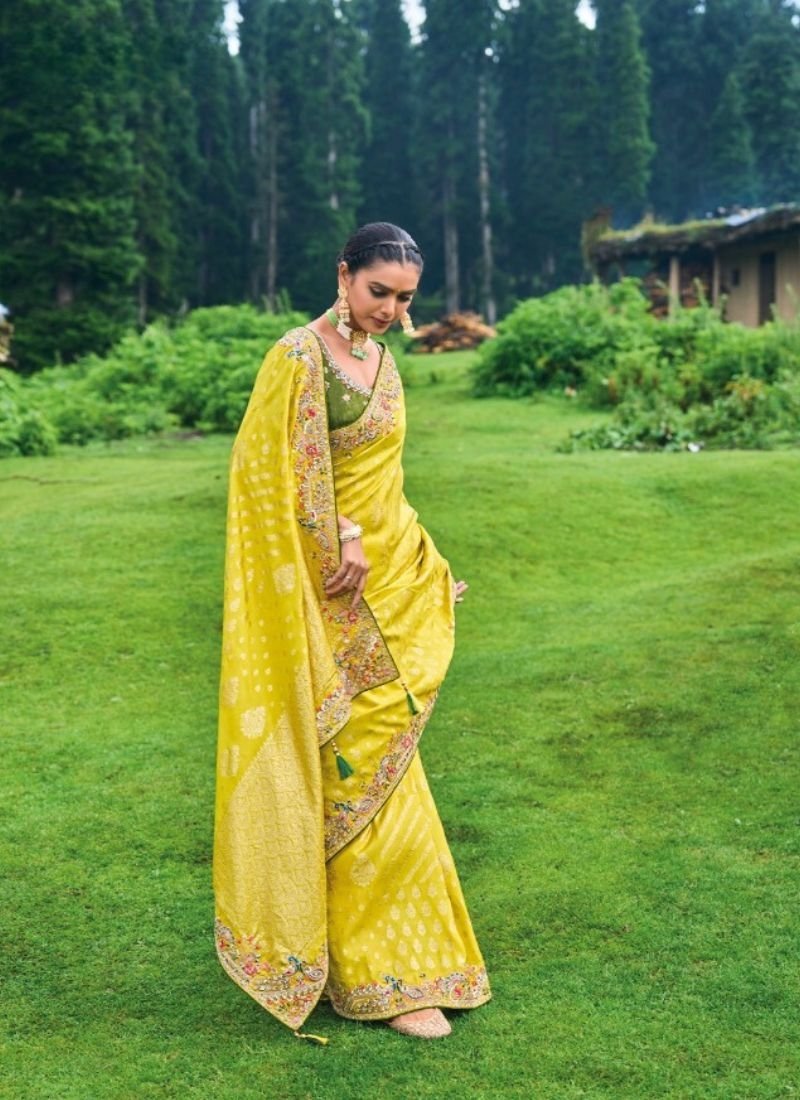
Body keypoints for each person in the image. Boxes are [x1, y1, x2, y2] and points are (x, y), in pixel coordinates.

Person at [213, 222, 491, 1042]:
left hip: (392, 584)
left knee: (386, 771)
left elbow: (385, 486)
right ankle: (371, 971)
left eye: (406, 297)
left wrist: (429, 566)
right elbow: (275, 476)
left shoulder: (384, 360)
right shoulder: (298, 357)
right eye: (379, 291)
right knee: (351, 770)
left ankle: (397, 964)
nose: (391, 309)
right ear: (344, 275)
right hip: (325, 598)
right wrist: (344, 540)